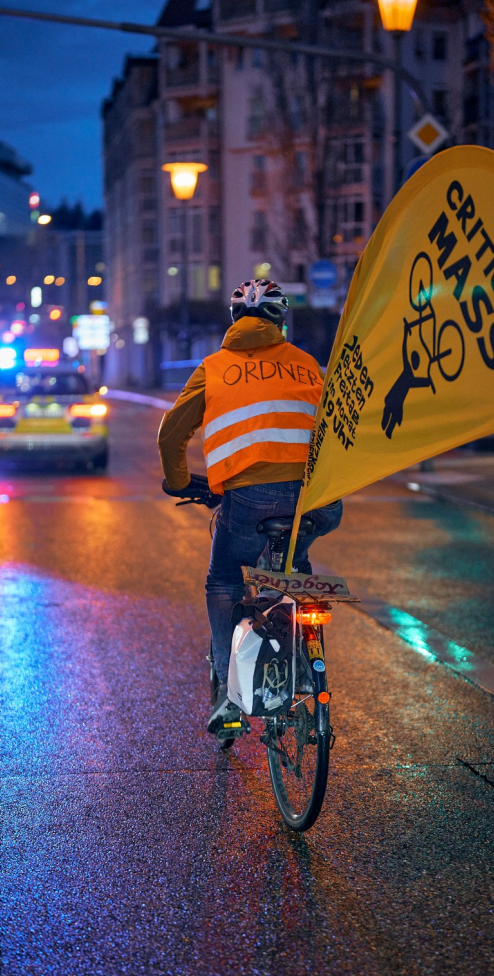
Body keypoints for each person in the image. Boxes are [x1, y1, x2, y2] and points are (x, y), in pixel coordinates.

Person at [158, 279, 343, 734]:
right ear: (281, 320)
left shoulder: (214, 367)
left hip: (249, 497)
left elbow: (171, 433)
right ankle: (307, 656)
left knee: (222, 579)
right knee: (297, 566)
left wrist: (180, 482)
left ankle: (228, 697)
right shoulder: (306, 365)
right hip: (318, 499)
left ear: (235, 320)